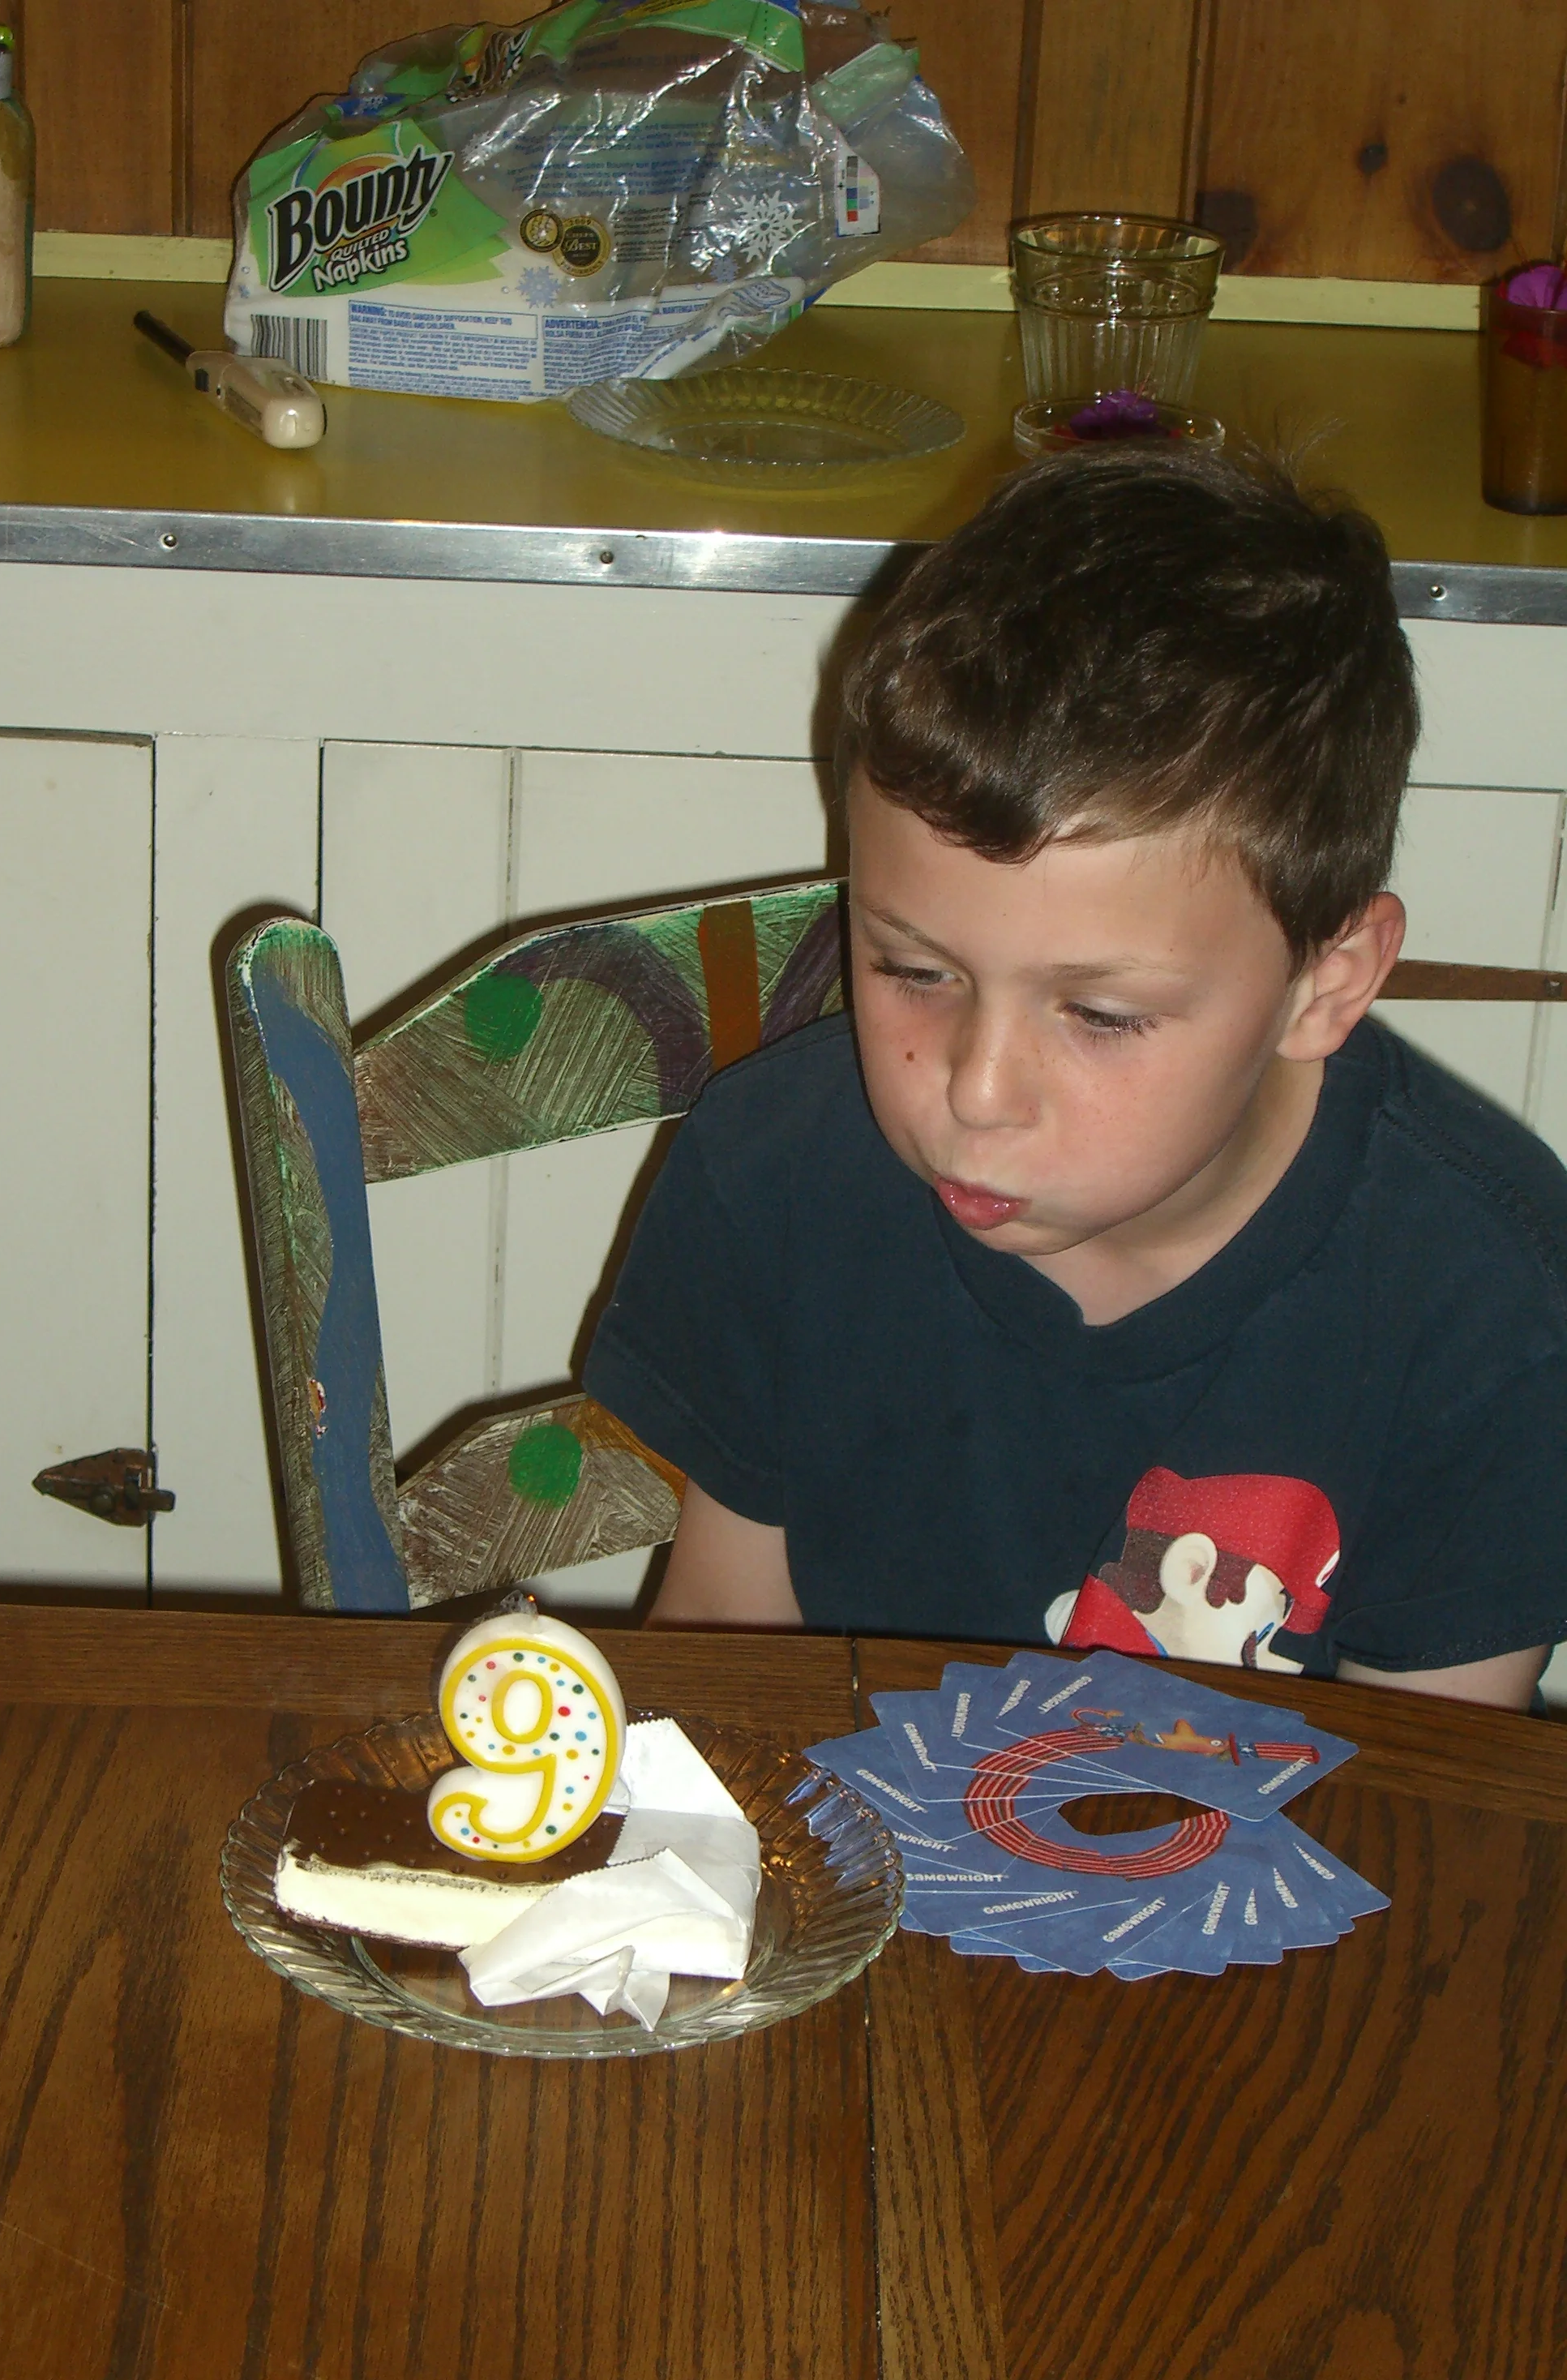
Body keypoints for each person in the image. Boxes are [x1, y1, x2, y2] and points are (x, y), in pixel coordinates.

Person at [583, 445, 1567, 1709]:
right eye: (912, 969)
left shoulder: (1492, 1312)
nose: (977, 1092)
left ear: (1323, 987)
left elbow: (1424, 1794)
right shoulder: (772, 1173)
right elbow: (726, 1650)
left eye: (1100, 1015)